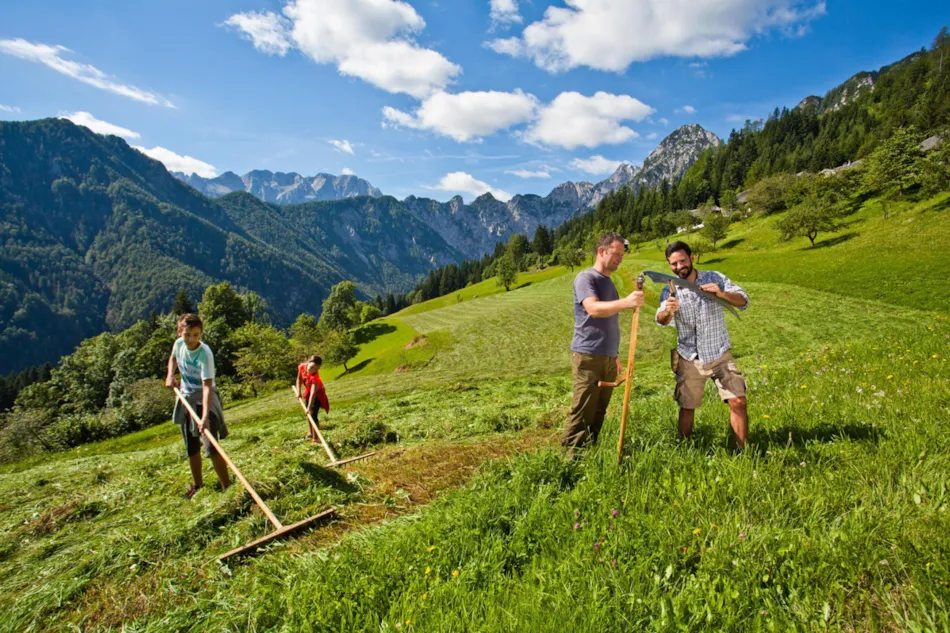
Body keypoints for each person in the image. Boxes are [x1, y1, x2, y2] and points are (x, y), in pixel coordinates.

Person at [654, 241, 750, 448]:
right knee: (687, 407)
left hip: (719, 353)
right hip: (689, 357)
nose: (679, 267)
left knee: (738, 401)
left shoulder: (715, 278)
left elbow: (744, 301)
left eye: (682, 261)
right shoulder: (670, 290)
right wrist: (668, 312)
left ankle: (742, 452)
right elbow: (661, 319)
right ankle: (684, 450)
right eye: (673, 264)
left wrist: (722, 294)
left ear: (692, 258)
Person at [563, 232, 645, 452]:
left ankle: (589, 453)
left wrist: (614, 355)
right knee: (583, 410)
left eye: (622, 255)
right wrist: (627, 302)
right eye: (616, 253)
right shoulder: (586, 278)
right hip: (588, 355)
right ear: (602, 251)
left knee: (599, 410)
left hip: (607, 356)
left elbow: (609, 320)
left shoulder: (608, 282)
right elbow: (593, 308)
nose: (620, 258)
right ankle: (569, 463)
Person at [165, 313, 231, 498]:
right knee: (191, 446)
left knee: (211, 446)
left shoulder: (205, 353)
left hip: (205, 400)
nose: (191, 339)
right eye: (187, 335)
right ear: (180, 332)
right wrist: (171, 375)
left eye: (196, 335)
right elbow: (173, 359)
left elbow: (207, 386)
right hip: (186, 399)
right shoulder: (179, 345)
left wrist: (204, 418)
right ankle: (198, 485)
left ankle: (227, 486)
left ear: (201, 334)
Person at [296, 355, 329, 442]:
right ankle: (311, 432)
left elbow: (314, 393)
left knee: (313, 414)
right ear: (308, 362)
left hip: (318, 394)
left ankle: (316, 438)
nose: (313, 370)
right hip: (309, 392)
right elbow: (299, 379)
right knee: (308, 415)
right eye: (312, 367)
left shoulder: (315, 376)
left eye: (316, 369)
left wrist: (309, 407)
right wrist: (298, 392)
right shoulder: (302, 367)